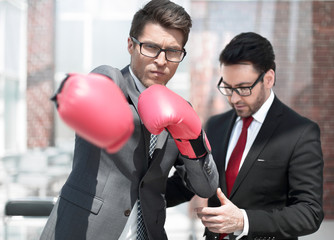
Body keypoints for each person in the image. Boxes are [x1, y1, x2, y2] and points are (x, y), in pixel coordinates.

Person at [40, 1, 218, 239]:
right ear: (130, 45)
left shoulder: (181, 110)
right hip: (82, 231)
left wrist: (152, 196)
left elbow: (204, 186)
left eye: (173, 51)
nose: (162, 60)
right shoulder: (111, 81)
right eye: (151, 47)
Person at [168, 32, 324, 239]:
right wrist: (136, 193)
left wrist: (243, 220)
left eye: (243, 88)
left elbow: (309, 213)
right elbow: (189, 183)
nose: (234, 98)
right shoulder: (216, 125)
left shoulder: (300, 132)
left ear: (268, 79)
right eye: (228, 87)